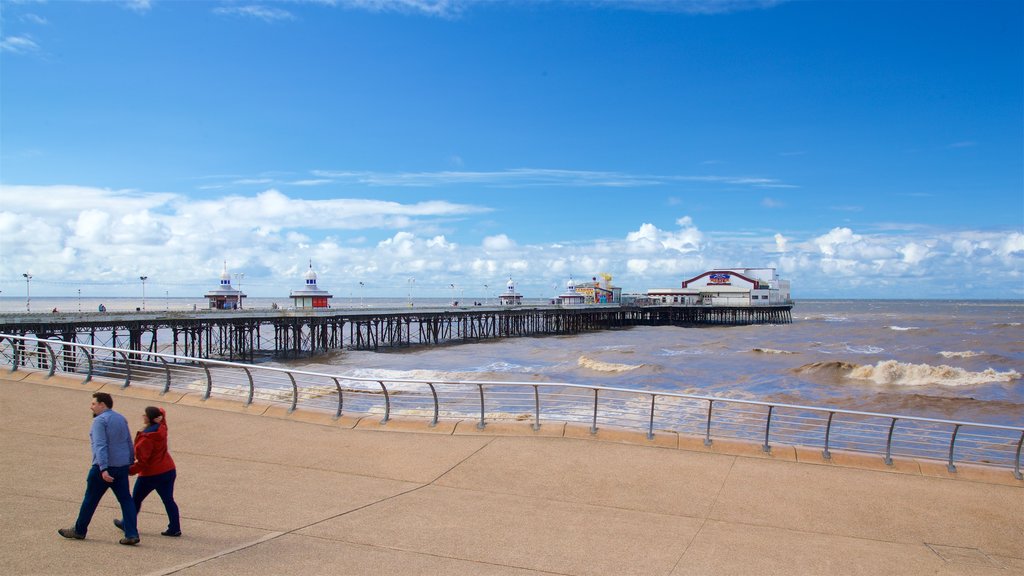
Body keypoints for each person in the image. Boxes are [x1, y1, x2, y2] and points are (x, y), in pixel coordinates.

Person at [58, 392, 140, 545]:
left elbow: (100, 446)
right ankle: (131, 533)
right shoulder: (121, 418)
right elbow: (129, 442)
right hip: (121, 466)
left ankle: (79, 530)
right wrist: (129, 461)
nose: (91, 407)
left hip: (104, 468)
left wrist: (103, 469)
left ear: (103, 404)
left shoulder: (100, 421)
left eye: (94, 404)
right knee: (126, 500)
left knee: (90, 499)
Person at [114, 406, 181, 537]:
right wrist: (159, 412)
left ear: (150, 418)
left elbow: (143, 462)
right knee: (168, 500)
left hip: (150, 475)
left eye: (145, 415)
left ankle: (127, 523)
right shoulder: (162, 428)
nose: (143, 416)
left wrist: (129, 470)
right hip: (168, 470)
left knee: (135, 500)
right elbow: (162, 414)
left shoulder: (146, 439)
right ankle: (175, 527)